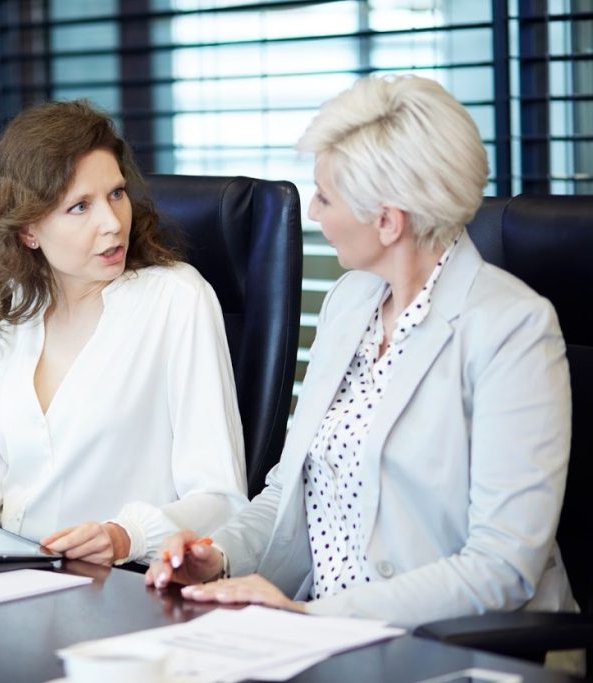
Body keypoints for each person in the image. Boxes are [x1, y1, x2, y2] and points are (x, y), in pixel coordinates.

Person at [147, 75, 576, 627]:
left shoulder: (512, 329)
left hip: (450, 648)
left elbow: (502, 565)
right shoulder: (351, 302)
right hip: (321, 633)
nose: (314, 214)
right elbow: (292, 485)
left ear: (387, 220)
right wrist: (220, 554)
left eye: (325, 196)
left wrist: (314, 615)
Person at [0, 100, 248, 565]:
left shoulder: (177, 299)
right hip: (11, 576)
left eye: (116, 194)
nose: (112, 223)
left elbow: (222, 500)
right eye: (80, 206)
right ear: (29, 230)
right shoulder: (7, 305)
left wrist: (126, 535)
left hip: (126, 586)